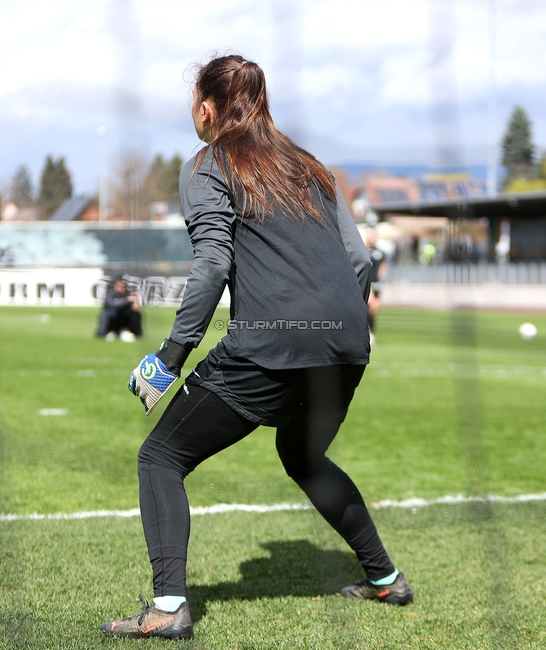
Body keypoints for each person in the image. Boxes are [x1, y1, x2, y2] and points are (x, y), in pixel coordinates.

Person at [99, 54, 411, 642]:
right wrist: (338, 327)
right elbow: (359, 261)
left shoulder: (209, 163)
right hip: (347, 345)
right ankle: (385, 578)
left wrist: (169, 359)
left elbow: (213, 262)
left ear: (208, 107)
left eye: (195, 101)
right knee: (304, 456)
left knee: (160, 459)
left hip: (270, 345)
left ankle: (168, 609)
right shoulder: (312, 168)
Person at [363, 227, 387, 344]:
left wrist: (381, 278)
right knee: (369, 304)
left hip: (377, 283)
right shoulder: (362, 250)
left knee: (374, 310)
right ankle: (365, 332)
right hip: (367, 282)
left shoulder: (380, 252)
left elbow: (383, 267)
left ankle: (371, 332)